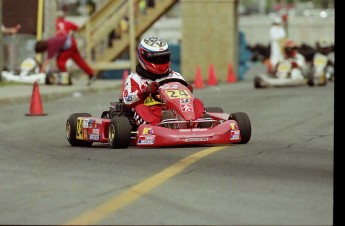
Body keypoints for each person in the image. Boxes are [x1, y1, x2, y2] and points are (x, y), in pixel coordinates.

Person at [122, 36, 205, 126]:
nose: (161, 62)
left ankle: (198, 123)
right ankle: (159, 127)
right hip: (152, 113)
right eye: (156, 59)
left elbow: (186, 100)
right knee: (140, 108)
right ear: (143, 56)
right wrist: (145, 91)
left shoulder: (175, 75)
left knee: (197, 102)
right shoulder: (134, 78)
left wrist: (188, 90)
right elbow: (128, 100)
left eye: (164, 58)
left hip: (175, 112)